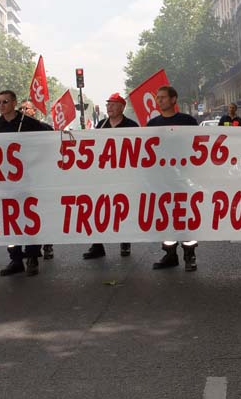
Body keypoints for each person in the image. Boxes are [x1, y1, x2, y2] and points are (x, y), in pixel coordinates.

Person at [0, 90, 53, 277]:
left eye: (5, 101)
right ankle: (15, 258)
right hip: (4, 184)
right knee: (10, 221)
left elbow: (49, 138)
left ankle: (33, 257)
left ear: (14, 103)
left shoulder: (29, 124)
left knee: (29, 219)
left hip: (28, 182)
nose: (1, 105)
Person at [147, 85, 200, 271]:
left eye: (163, 97)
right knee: (164, 216)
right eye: (157, 98)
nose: (159, 100)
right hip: (161, 178)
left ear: (173, 99)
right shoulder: (152, 125)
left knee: (184, 215)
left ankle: (189, 254)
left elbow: (198, 146)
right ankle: (169, 254)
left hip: (184, 177)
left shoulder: (188, 121)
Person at [83, 92, 138, 260]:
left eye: (113, 104)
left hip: (124, 176)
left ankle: (125, 241)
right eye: (108, 104)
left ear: (122, 107)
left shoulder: (131, 126)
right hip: (104, 177)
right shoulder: (101, 125)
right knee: (99, 209)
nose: (109, 107)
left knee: (123, 209)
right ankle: (98, 245)